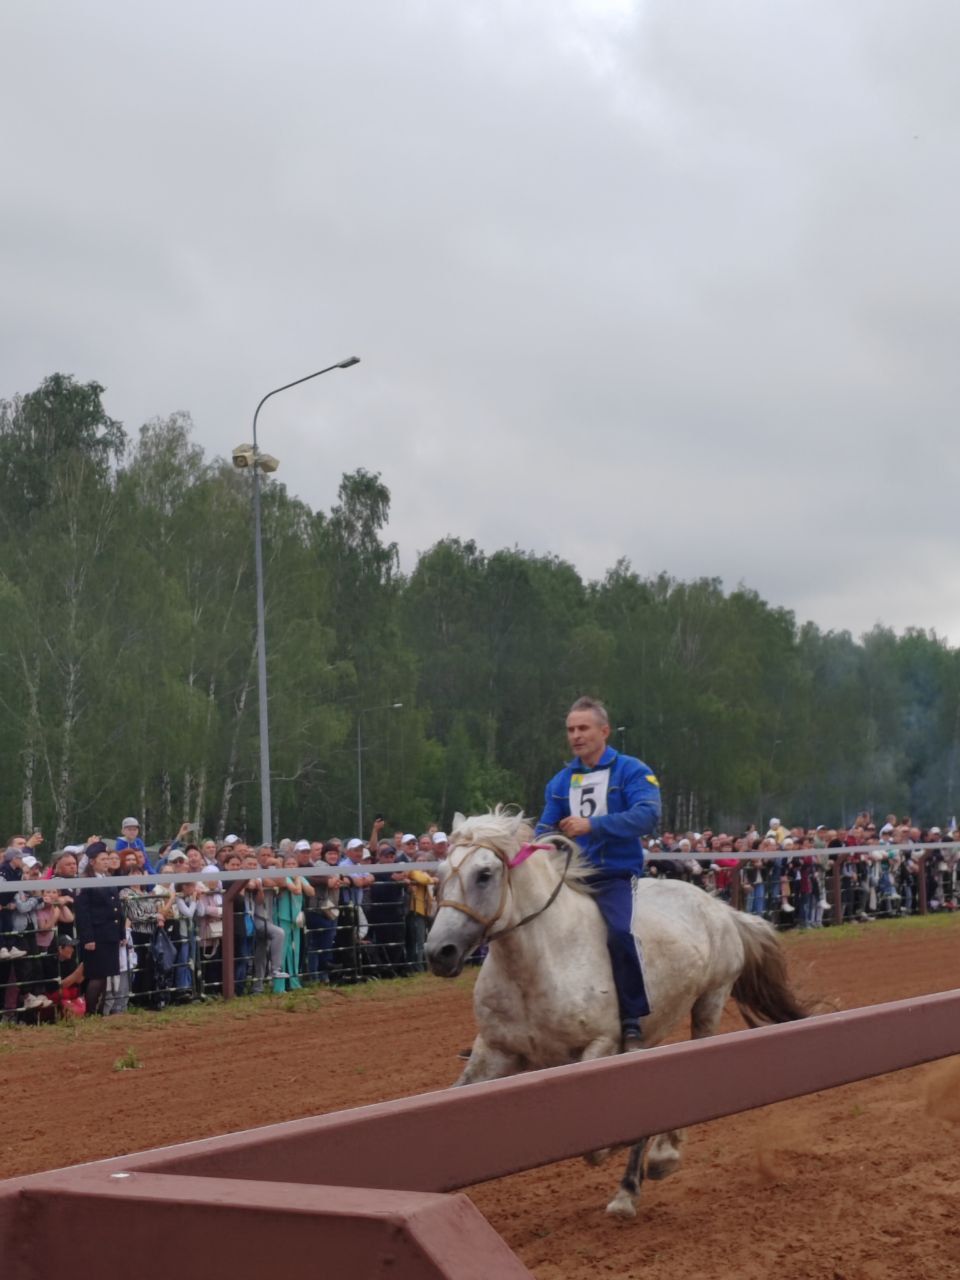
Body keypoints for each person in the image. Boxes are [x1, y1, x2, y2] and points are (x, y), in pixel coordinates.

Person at [535, 696, 661, 1051]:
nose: (576, 735)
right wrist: (533, 848)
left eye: (583, 728)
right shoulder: (561, 781)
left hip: (613, 876)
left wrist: (592, 825)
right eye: (570, 729)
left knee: (619, 934)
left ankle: (631, 1019)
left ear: (604, 731)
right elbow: (545, 827)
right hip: (568, 877)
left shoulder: (633, 771)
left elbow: (647, 816)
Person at [74, 841, 124, 1016]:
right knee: (96, 975)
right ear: (92, 861)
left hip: (110, 933)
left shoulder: (107, 879)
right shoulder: (86, 881)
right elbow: (82, 912)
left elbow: (117, 907)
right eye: (102, 859)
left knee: (107, 974)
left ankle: (100, 1011)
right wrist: (88, 938)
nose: (106, 861)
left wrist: (121, 933)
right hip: (96, 935)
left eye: (107, 858)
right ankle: (90, 1012)